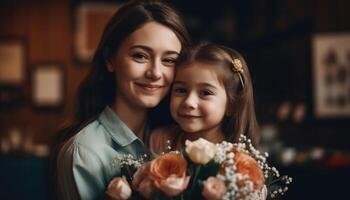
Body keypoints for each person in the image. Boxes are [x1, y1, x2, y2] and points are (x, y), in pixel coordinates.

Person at [54, 0, 191, 199]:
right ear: (110, 59)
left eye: (169, 60)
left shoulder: (178, 137)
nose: (155, 73)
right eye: (140, 56)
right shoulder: (86, 152)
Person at [150, 43, 260, 153]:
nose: (189, 102)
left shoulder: (234, 158)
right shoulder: (160, 139)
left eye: (205, 93)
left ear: (231, 105)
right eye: (181, 90)